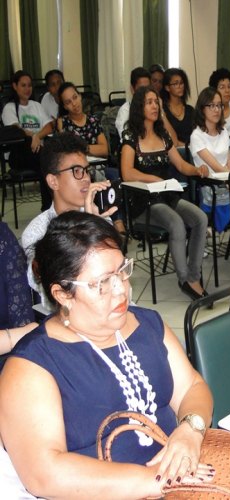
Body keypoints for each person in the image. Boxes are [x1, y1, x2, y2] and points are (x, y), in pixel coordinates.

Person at [0, 211, 215, 499]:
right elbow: (44, 473)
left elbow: (192, 386)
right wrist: (156, 480)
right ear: (62, 294)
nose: (121, 289)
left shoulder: (148, 324)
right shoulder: (32, 366)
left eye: (122, 272)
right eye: (102, 283)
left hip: (182, 479)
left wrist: (191, 429)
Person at [120, 86, 209, 300]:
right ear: (139, 106)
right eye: (149, 102)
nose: (154, 106)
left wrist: (196, 169)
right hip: (143, 201)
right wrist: (154, 179)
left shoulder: (163, 134)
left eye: (156, 102)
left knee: (200, 218)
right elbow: (126, 172)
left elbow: (180, 164)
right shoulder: (130, 136)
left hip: (166, 195)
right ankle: (184, 280)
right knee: (176, 223)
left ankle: (194, 276)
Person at [21, 132, 116, 307]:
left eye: (87, 170)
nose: (86, 179)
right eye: (77, 171)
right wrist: (86, 229)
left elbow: (115, 272)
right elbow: (49, 285)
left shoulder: (97, 215)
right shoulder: (37, 231)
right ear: (53, 181)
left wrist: (94, 222)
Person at [1, 70, 54, 211]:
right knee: (46, 160)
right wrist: (34, 136)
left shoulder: (36, 105)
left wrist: (37, 136)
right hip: (19, 153)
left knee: (47, 163)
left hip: (38, 151)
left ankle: (50, 208)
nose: (27, 89)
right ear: (14, 86)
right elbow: (17, 130)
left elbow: (49, 127)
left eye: (29, 85)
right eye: (23, 85)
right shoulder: (9, 108)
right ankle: (47, 208)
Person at [189, 87, 230, 233]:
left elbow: (228, 162)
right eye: (211, 105)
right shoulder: (196, 136)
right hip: (209, 184)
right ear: (202, 108)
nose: (216, 110)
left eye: (219, 105)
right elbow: (214, 164)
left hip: (226, 181)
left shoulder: (224, 131)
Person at [0, 222, 37, 357]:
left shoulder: (3, 238)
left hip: (10, 355)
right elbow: (24, 332)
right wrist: (15, 336)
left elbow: (21, 314)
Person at [57, 82, 109, 158]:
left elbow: (104, 150)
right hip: (76, 168)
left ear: (80, 96)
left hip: (97, 166)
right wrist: (92, 149)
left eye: (75, 97)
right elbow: (67, 152)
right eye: (68, 102)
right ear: (65, 106)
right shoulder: (62, 122)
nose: (74, 104)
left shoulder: (93, 120)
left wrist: (83, 148)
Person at [161, 68, 196, 150]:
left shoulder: (190, 110)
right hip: (172, 153)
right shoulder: (163, 111)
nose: (180, 86)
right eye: (176, 84)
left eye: (181, 83)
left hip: (192, 152)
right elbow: (171, 140)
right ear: (167, 88)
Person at [208, 68, 230, 133]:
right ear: (214, 90)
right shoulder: (209, 109)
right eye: (222, 87)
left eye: (229, 86)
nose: (227, 91)